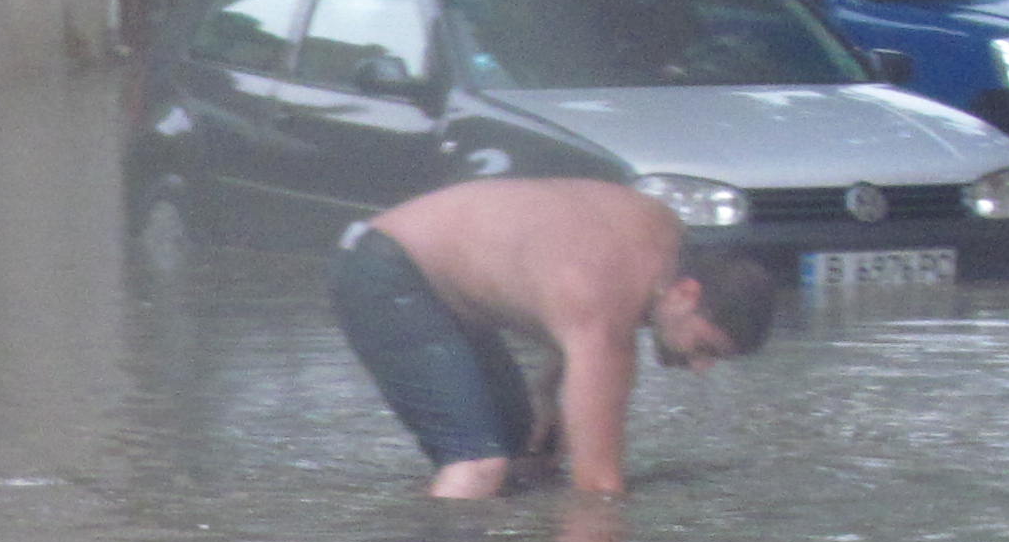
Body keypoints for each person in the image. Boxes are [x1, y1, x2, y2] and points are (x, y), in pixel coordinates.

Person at [327, 176, 774, 500]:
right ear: (687, 294)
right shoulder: (607, 311)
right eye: (705, 349)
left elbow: (564, 294)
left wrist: (548, 392)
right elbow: (598, 489)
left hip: (435, 280)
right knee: (478, 465)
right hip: (385, 269)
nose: (700, 367)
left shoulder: (667, 244)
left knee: (527, 461)